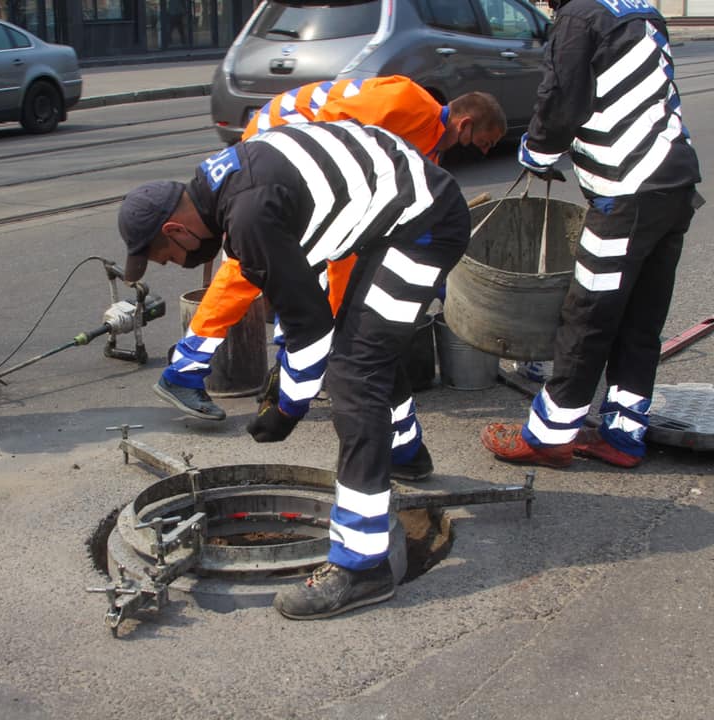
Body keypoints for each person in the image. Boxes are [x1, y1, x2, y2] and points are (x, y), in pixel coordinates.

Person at [118, 120, 471, 618]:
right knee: (363, 342)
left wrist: (286, 407)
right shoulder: (227, 182)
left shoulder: (247, 216)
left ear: (175, 229)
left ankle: (361, 566)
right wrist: (287, 371)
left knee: (355, 373)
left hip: (422, 225)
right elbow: (298, 286)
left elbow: (312, 332)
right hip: (393, 214)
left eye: (165, 254)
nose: (176, 263)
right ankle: (406, 454)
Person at [153, 76, 504, 481]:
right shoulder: (408, 102)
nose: (481, 152)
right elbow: (334, 127)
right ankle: (185, 369)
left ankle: (298, 363)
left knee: (327, 286)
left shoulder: (429, 144)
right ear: (464, 126)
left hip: (305, 161)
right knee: (251, 269)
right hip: (282, 147)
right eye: (482, 143)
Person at [480, 0, 701, 469]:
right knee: (640, 317)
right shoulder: (638, 9)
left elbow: (561, 99)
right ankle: (623, 432)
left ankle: (549, 434)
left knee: (589, 313)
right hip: (674, 182)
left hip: (627, 192)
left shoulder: (580, 16)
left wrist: (536, 152)